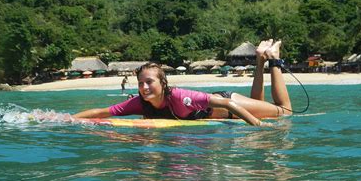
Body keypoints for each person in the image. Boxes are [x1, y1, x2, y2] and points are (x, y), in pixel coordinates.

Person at [73, 39, 292, 126]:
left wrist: (258, 125)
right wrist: (67, 119)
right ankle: (259, 59)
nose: (144, 87)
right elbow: (101, 112)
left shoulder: (179, 96)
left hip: (227, 103)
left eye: (149, 82)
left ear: (163, 83)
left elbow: (225, 105)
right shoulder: (140, 102)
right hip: (225, 111)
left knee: (285, 111)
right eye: (140, 84)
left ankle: (273, 58)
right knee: (257, 102)